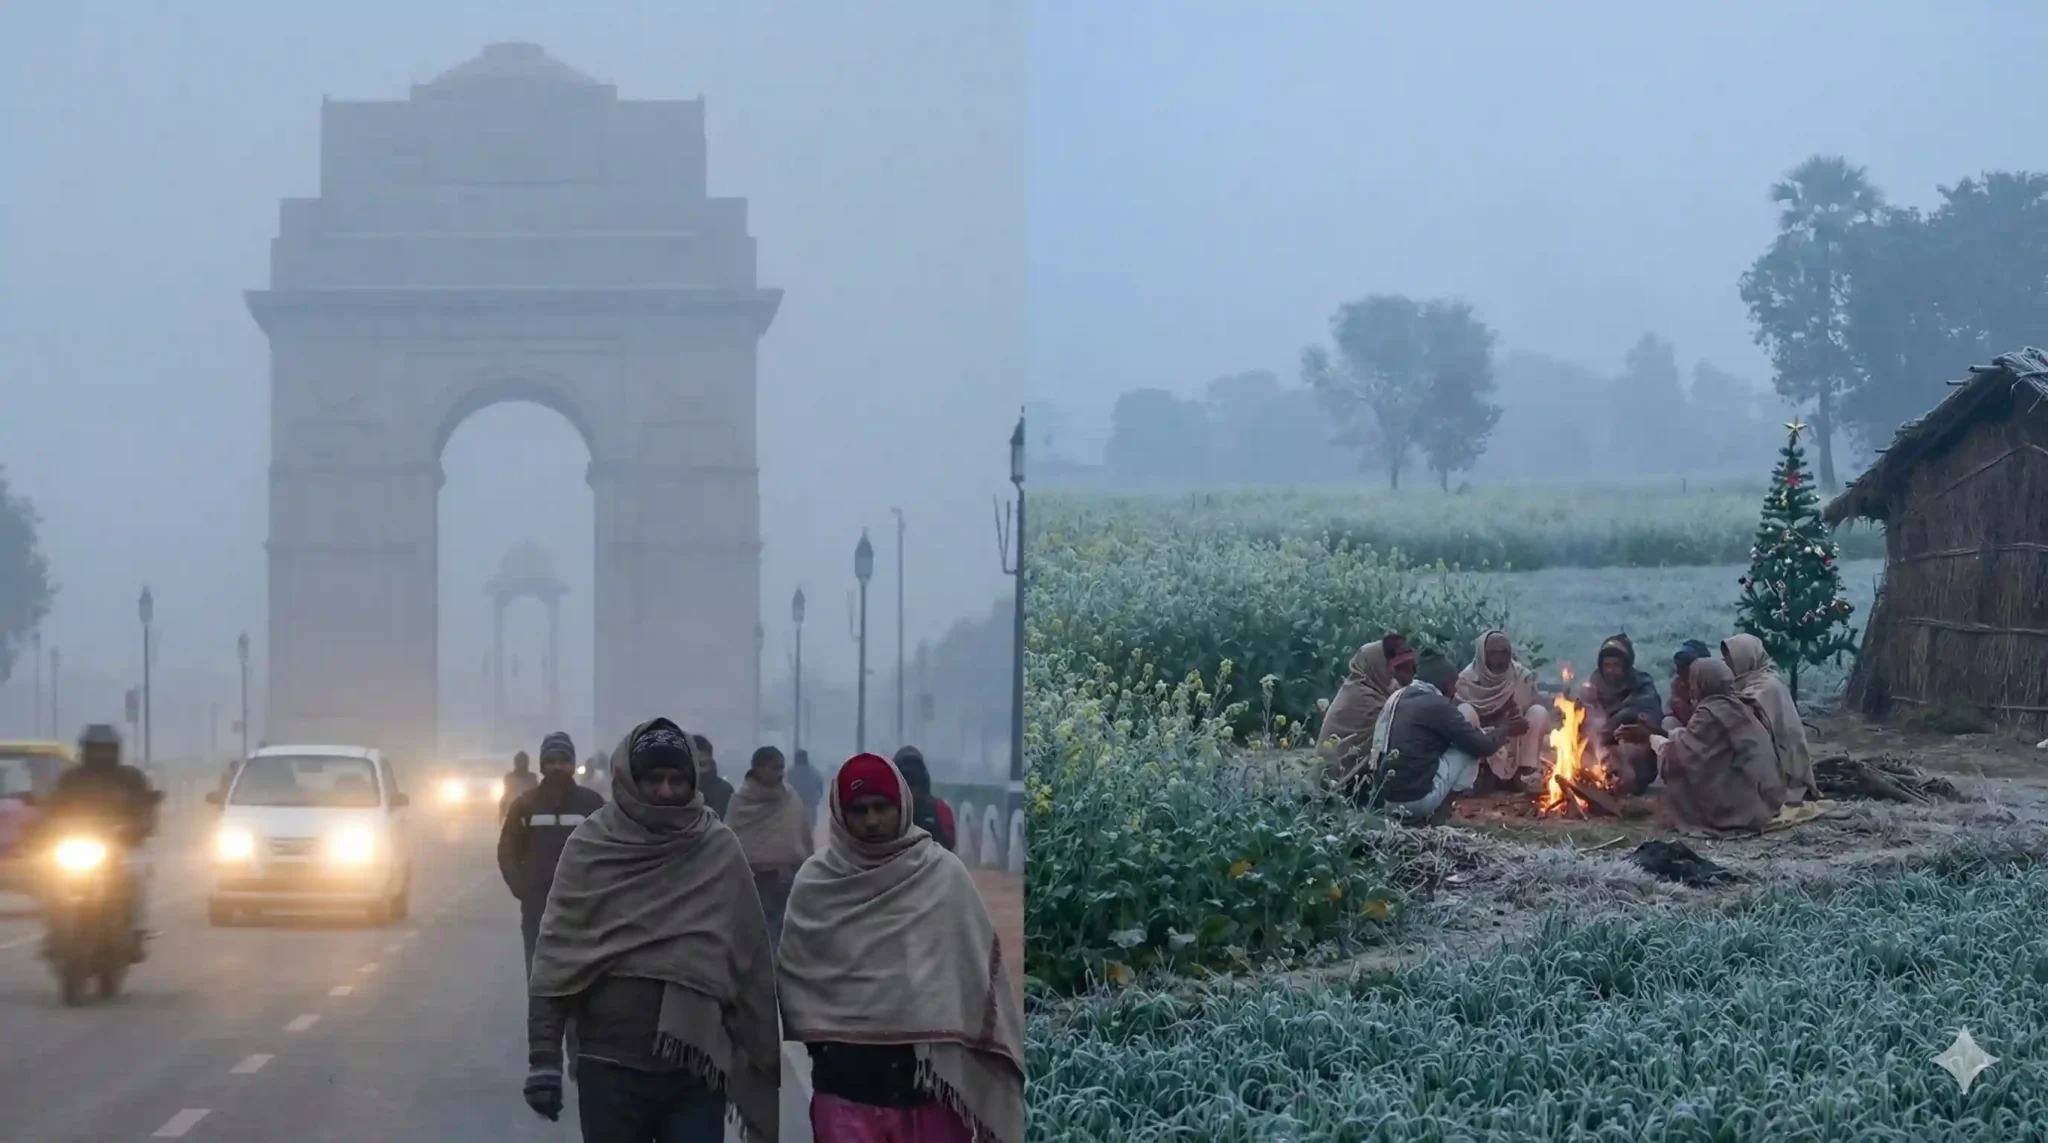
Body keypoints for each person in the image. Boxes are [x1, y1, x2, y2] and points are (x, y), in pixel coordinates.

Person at [524, 719, 779, 1142]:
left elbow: (751, 966)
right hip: (608, 1067)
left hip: (696, 1072)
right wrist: (543, 1060)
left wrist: (760, 1070)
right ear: (628, 779)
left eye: (676, 780)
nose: (665, 791)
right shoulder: (591, 848)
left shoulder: (718, 850)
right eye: (653, 779)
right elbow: (555, 960)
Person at [779, 753, 1024, 1143]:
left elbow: (976, 978)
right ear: (841, 813)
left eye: (883, 807)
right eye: (859, 810)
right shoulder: (816, 883)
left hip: (930, 1097)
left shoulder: (944, 876)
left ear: (902, 806)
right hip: (846, 1092)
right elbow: (796, 980)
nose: (873, 820)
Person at [1620, 658, 1785, 833]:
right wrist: (1655, 732)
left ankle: (1711, 815)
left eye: (1693, 683)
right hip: (1762, 798)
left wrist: (1648, 737)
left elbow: (1681, 754)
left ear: (1704, 683)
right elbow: (1690, 738)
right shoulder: (1737, 703)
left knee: (1680, 769)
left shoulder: (1711, 711)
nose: (1690, 688)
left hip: (1740, 807)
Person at [37, 724, 159, 954]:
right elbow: (53, 809)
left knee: (138, 873)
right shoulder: (70, 779)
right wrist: (46, 828)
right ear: (84, 751)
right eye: (94, 749)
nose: (99, 755)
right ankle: (54, 931)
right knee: (47, 873)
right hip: (77, 844)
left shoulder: (130, 778)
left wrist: (139, 826)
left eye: (105, 749)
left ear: (116, 750)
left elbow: (147, 809)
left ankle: (135, 932)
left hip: (124, 846)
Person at [1360, 651, 1516, 824]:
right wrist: (1506, 729)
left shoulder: (1397, 696)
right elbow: (1482, 746)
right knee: (1468, 751)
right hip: (1415, 803)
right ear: (1445, 682)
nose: (1455, 689)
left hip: (1385, 801)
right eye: (1453, 683)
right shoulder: (1438, 705)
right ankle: (1440, 814)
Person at [498, 731, 606, 975]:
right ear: (542, 765)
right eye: (551, 761)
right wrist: (522, 888)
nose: (557, 767)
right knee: (541, 984)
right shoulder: (525, 805)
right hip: (538, 912)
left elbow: (612, 850)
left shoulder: (592, 804)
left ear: (572, 763)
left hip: (585, 914)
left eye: (563, 760)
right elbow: (508, 851)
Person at [725, 745, 812, 948]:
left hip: (787, 879)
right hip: (754, 882)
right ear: (757, 768)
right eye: (774, 768)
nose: (780, 773)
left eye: (782, 767)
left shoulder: (791, 798)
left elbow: (802, 833)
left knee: (785, 934)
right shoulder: (740, 802)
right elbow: (731, 840)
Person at [1721, 633, 1820, 804]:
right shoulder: (1747, 683)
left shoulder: (1766, 687)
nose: (1726, 664)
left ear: (1746, 658)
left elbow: (1745, 723)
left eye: (1730, 659)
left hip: (1783, 768)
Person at [1318, 632, 1419, 791]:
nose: (1396, 673)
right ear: (1377, 665)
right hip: (1340, 781)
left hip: (1339, 776)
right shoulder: (1363, 698)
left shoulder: (1370, 688)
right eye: (1394, 667)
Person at [1455, 629, 1552, 791]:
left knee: (1538, 712)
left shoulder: (1521, 676)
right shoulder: (1467, 680)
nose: (1499, 659)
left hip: (1515, 738)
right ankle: (1477, 772)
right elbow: (1459, 722)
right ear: (1482, 655)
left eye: (1504, 653)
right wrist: (1502, 725)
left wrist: (1515, 718)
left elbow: (1531, 708)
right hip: (1484, 738)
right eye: (1493, 653)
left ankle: (1525, 772)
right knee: (1464, 712)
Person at [1580, 634, 1664, 796]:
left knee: (1626, 749)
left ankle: (1626, 785)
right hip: (1601, 747)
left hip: (1631, 747)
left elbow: (1651, 718)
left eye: (1616, 665)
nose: (1610, 670)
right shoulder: (1594, 684)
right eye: (1607, 665)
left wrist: (1618, 724)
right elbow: (1585, 720)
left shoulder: (1642, 685)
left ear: (1626, 666)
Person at [890, 745, 957, 852]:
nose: (910, 787)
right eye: (904, 778)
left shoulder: (939, 809)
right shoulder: (886, 810)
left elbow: (949, 846)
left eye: (914, 779)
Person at [1664, 640, 1716, 732]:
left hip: (1706, 736)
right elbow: (1669, 712)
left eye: (1686, 666)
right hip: (1685, 733)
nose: (1680, 671)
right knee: (1668, 722)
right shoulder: (1678, 685)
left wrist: (1687, 711)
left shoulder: (1712, 687)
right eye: (1680, 666)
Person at [688, 734, 734, 820]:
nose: (697, 770)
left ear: (710, 762)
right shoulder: (672, 788)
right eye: (692, 764)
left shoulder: (724, 790)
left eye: (702, 764)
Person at [786, 749, 824, 822]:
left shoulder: (790, 772)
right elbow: (820, 787)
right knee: (809, 827)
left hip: (794, 806)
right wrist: (817, 798)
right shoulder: (814, 771)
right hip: (809, 804)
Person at [502, 751, 539, 820]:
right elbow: (507, 794)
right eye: (520, 761)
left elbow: (537, 793)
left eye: (524, 762)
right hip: (514, 808)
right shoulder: (510, 777)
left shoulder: (532, 777)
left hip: (529, 808)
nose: (522, 764)